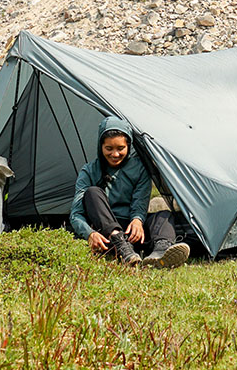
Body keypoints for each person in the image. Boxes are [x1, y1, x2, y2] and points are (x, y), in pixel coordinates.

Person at [68, 115, 190, 269]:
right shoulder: (89, 171)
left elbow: (140, 202)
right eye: (109, 149)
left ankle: (160, 252)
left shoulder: (140, 168)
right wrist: (89, 233)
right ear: (100, 147)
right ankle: (122, 248)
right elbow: (76, 213)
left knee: (164, 215)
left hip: (132, 229)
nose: (115, 154)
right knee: (92, 192)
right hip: (107, 232)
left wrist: (138, 219)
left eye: (120, 148)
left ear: (128, 146)